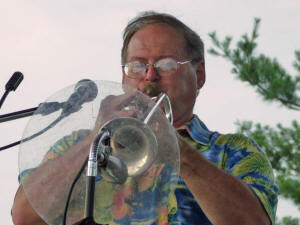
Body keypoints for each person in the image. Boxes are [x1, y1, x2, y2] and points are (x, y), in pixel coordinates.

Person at [11, 11, 278, 225]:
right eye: (138, 65)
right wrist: (94, 139)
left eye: (166, 64)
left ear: (199, 76)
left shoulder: (233, 151)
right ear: (124, 77)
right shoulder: (81, 145)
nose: (150, 76)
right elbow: (25, 216)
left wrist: (179, 152)